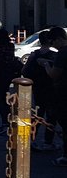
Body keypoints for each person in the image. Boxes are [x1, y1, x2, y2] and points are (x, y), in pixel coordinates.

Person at [22, 31, 58, 151]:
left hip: (37, 87)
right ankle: (48, 141)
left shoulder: (34, 54)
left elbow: (25, 70)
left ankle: (31, 139)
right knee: (51, 115)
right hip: (51, 87)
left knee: (37, 114)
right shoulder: (54, 55)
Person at [39, 27, 67, 166]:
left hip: (62, 92)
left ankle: (65, 156)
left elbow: (54, 74)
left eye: (52, 42)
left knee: (64, 122)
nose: (52, 45)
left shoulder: (62, 54)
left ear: (58, 39)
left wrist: (46, 65)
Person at [0, 28, 19, 133]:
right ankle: (7, 121)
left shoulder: (1, 46)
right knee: (2, 98)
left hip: (0, 75)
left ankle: (6, 122)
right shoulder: (10, 45)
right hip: (7, 75)